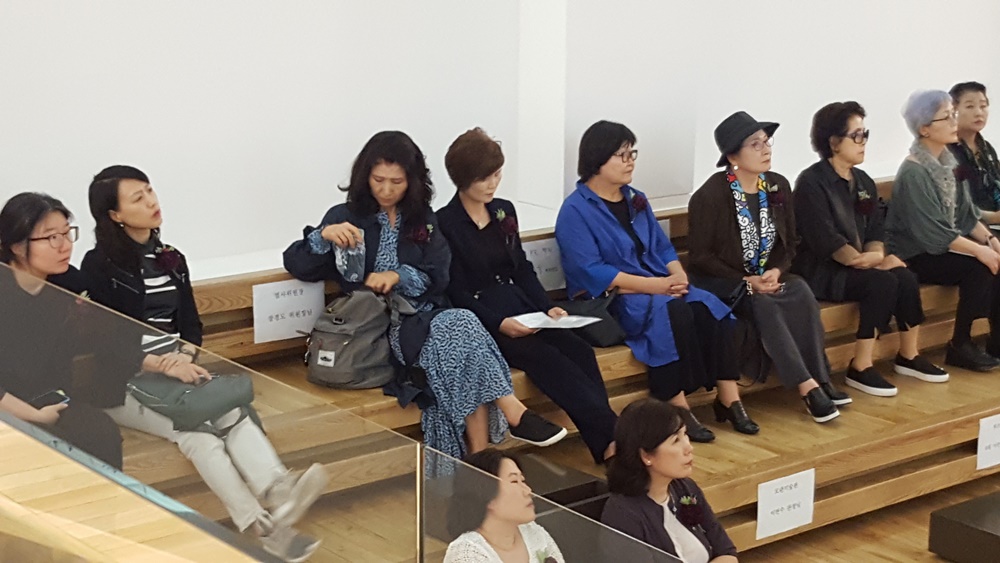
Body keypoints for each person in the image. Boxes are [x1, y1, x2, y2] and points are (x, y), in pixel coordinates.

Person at [81, 165, 326, 562]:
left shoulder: (172, 259)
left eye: (150, 190)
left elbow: (192, 326)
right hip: (125, 383)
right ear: (115, 215)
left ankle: (278, 491)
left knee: (231, 412)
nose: (152, 201)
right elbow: (106, 343)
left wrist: (185, 356)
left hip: (177, 374)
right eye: (138, 198)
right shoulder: (99, 266)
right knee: (200, 437)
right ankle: (266, 530)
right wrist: (163, 365)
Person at [284, 131, 566, 460]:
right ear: (364, 176)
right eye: (378, 180)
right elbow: (298, 264)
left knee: (457, 340)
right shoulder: (343, 216)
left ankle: (480, 457)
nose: (386, 190)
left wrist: (398, 275)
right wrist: (322, 236)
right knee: (459, 329)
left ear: (412, 181)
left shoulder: (422, 219)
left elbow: (440, 275)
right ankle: (511, 417)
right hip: (377, 329)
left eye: (397, 182)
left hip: (425, 320)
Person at [555, 121, 757, 443]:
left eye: (632, 154)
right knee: (670, 312)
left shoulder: (635, 199)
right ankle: (674, 403)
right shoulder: (575, 210)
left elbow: (662, 248)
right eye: (622, 155)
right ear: (597, 159)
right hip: (612, 299)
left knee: (709, 306)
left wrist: (678, 274)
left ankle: (728, 397)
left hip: (656, 285)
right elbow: (592, 272)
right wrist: (658, 287)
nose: (630, 162)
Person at [437, 127, 618, 464]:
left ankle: (606, 443)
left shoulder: (503, 211)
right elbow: (455, 290)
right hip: (484, 319)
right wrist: (499, 323)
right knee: (546, 359)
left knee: (580, 351)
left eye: (497, 174)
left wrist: (548, 307)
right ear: (462, 178)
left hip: (520, 304)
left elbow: (521, 268)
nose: (493, 184)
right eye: (484, 178)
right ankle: (614, 440)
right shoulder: (444, 223)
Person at [688, 111, 851, 424]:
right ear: (732, 156)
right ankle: (806, 388)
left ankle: (821, 376)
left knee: (800, 290)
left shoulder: (777, 186)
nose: (765, 149)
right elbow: (700, 257)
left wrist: (776, 270)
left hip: (766, 275)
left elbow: (790, 242)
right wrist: (745, 279)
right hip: (725, 283)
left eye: (766, 142)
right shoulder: (710, 195)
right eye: (755, 144)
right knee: (762, 302)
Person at [792, 102, 948, 396]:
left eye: (865, 134)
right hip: (824, 270)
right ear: (834, 142)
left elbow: (876, 227)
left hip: (862, 264)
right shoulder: (812, 182)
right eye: (856, 135)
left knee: (904, 276)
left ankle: (908, 355)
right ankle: (861, 366)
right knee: (881, 282)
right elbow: (826, 240)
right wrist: (872, 262)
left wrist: (876, 255)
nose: (863, 141)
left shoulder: (862, 180)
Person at [0, 193, 124, 469]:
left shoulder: (68, 283)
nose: (65, 245)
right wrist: (33, 416)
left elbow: (108, 331)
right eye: (52, 237)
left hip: (50, 396)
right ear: (17, 246)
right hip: (8, 404)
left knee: (102, 432)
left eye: (67, 234)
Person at [886, 90, 1000, 371]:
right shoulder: (914, 171)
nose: (953, 122)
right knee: (980, 267)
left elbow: (966, 215)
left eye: (953, 115)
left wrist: (990, 240)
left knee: (994, 257)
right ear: (924, 129)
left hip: (943, 245)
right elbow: (933, 233)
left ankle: (996, 340)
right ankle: (960, 343)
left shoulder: (951, 163)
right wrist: (980, 251)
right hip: (916, 253)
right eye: (946, 117)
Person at [601, 398, 737, 563]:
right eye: (676, 441)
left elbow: (726, 551)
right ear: (646, 455)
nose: (689, 447)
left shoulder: (686, 488)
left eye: (685, 435)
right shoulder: (623, 514)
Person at [444, 449, 564, 563]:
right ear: (485, 492)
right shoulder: (467, 554)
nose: (528, 490)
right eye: (514, 481)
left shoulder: (533, 532)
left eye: (522, 481)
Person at [950, 82, 1000, 225]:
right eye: (970, 106)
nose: (979, 112)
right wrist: (992, 217)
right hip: (969, 227)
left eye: (983, 106)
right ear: (953, 110)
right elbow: (953, 204)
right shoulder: (947, 151)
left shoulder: (986, 148)